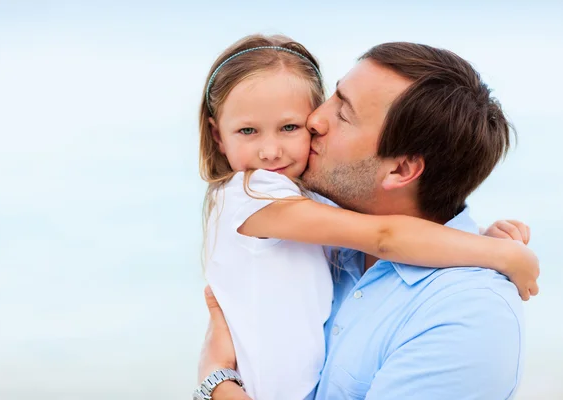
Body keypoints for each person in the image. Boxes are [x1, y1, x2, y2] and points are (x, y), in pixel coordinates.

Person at [195, 35, 539, 400]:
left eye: (343, 113)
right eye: (334, 95)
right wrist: (487, 247)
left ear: (401, 169)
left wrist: (215, 384)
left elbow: (388, 236)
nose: (314, 120)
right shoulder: (331, 240)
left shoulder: (468, 317)